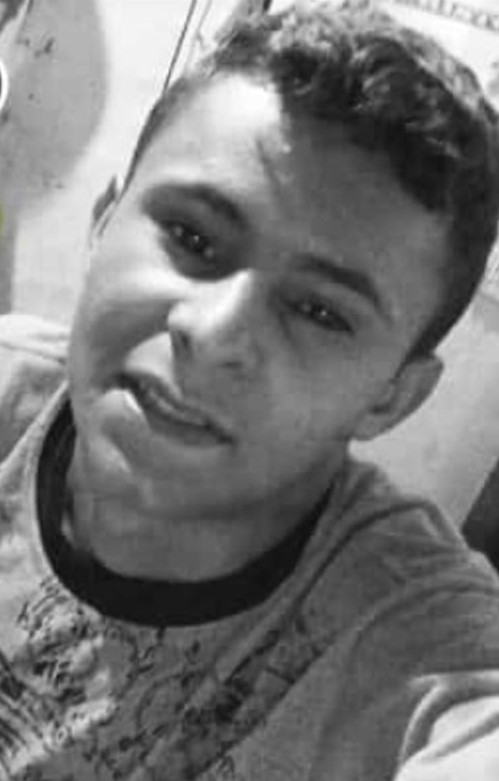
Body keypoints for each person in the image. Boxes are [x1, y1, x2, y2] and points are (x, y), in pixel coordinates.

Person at [1, 2, 499, 779]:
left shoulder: (410, 633)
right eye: (192, 237)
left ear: (392, 397)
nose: (212, 333)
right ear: (104, 220)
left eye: (320, 311)